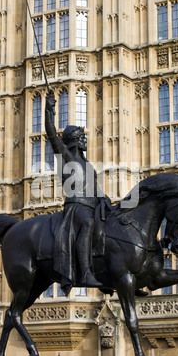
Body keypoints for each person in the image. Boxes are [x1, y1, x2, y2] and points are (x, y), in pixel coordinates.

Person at [45, 90, 110, 294]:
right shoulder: (65, 156)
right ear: (73, 139)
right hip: (76, 207)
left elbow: (95, 188)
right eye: (81, 137)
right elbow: (50, 133)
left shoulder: (87, 164)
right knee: (88, 223)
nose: (85, 140)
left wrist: (104, 198)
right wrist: (49, 109)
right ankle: (84, 273)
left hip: (92, 205)